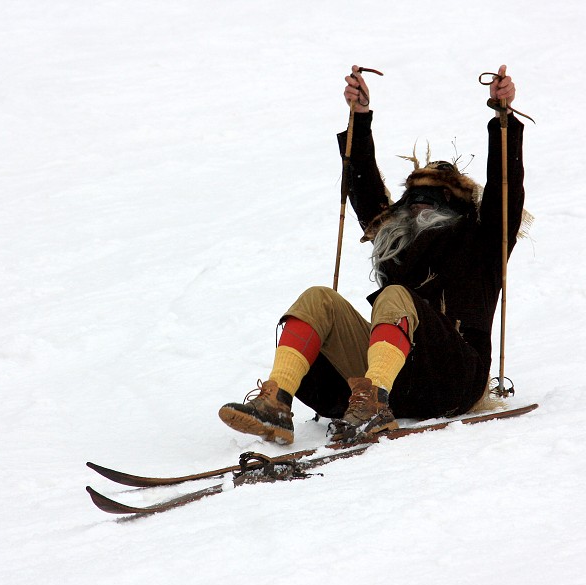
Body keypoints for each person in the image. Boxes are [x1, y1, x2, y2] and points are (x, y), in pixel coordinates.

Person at [218, 64, 526, 445]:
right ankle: (276, 402)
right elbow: (367, 194)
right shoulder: (398, 242)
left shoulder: (481, 241)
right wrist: (359, 118)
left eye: (432, 197)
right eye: (413, 197)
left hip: (455, 377)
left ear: (455, 204)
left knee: (394, 296)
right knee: (318, 299)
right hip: (396, 377)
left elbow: (504, 192)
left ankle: (373, 406)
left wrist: (502, 120)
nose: (418, 205)